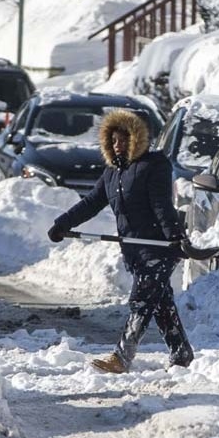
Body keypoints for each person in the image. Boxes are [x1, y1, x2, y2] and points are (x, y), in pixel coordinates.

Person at [46, 109, 194, 374]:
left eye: (124, 139)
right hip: (135, 251)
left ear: (139, 138)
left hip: (159, 248)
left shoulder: (154, 165)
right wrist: (63, 224)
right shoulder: (112, 174)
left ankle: (122, 357)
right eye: (114, 140)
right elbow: (91, 203)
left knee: (140, 301)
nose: (118, 145)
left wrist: (175, 237)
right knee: (160, 303)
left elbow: (161, 205)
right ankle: (181, 352)